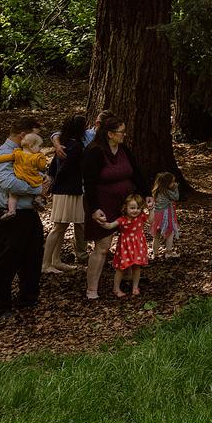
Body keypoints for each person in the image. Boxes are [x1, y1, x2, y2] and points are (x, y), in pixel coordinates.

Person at [0, 116, 48, 319]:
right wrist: (38, 188)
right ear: (23, 135)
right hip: (7, 215)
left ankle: (28, 299)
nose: (38, 141)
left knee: (32, 258)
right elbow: (9, 184)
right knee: (5, 262)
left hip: (28, 213)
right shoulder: (3, 155)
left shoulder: (26, 155)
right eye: (36, 135)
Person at [82, 114, 150, 300]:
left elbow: (136, 173)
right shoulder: (94, 151)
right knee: (103, 246)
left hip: (126, 202)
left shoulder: (123, 149)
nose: (124, 135)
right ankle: (92, 289)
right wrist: (95, 207)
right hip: (102, 203)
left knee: (130, 239)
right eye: (121, 132)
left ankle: (127, 278)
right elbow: (88, 182)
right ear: (110, 134)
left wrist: (147, 194)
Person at [42, 114, 88, 272]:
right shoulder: (74, 147)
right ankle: (46, 263)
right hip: (67, 191)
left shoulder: (64, 143)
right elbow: (63, 169)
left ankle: (56, 260)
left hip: (66, 190)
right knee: (58, 227)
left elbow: (55, 166)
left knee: (61, 227)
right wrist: (53, 185)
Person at [93, 193, 149, 298]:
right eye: (132, 208)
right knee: (121, 268)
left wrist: (152, 209)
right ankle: (116, 288)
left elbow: (151, 220)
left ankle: (135, 287)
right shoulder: (122, 220)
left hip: (138, 246)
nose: (135, 210)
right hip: (125, 247)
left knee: (137, 266)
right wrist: (101, 223)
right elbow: (110, 226)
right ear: (126, 208)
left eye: (138, 208)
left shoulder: (141, 217)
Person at [0, 133, 51, 220]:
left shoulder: (18, 153)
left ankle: (12, 210)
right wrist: (39, 190)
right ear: (31, 145)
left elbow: (5, 158)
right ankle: (37, 199)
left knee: (13, 196)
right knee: (17, 193)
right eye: (39, 146)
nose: (40, 148)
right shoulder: (35, 157)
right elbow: (11, 185)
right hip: (32, 182)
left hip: (22, 179)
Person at [150, 171, 181, 259]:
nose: (174, 183)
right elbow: (176, 197)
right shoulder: (167, 192)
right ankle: (169, 252)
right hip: (165, 216)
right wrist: (176, 188)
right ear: (166, 183)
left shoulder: (158, 190)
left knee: (156, 235)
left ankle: (155, 254)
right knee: (170, 233)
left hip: (157, 215)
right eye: (172, 182)